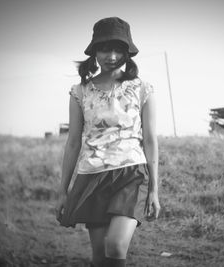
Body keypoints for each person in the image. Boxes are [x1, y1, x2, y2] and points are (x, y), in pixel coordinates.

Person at [55, 17, 160, 267]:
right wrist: (63, 190)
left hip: (131, 173)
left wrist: (155, 190)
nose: (111, 56)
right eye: (104, 49)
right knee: (100, 256)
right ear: (94, 52)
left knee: (115, 245)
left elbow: (150, 140)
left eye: (118, 49)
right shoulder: (79, 92)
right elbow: (72, 143)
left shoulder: (142, 88)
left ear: (127, 52)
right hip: (92, 175)